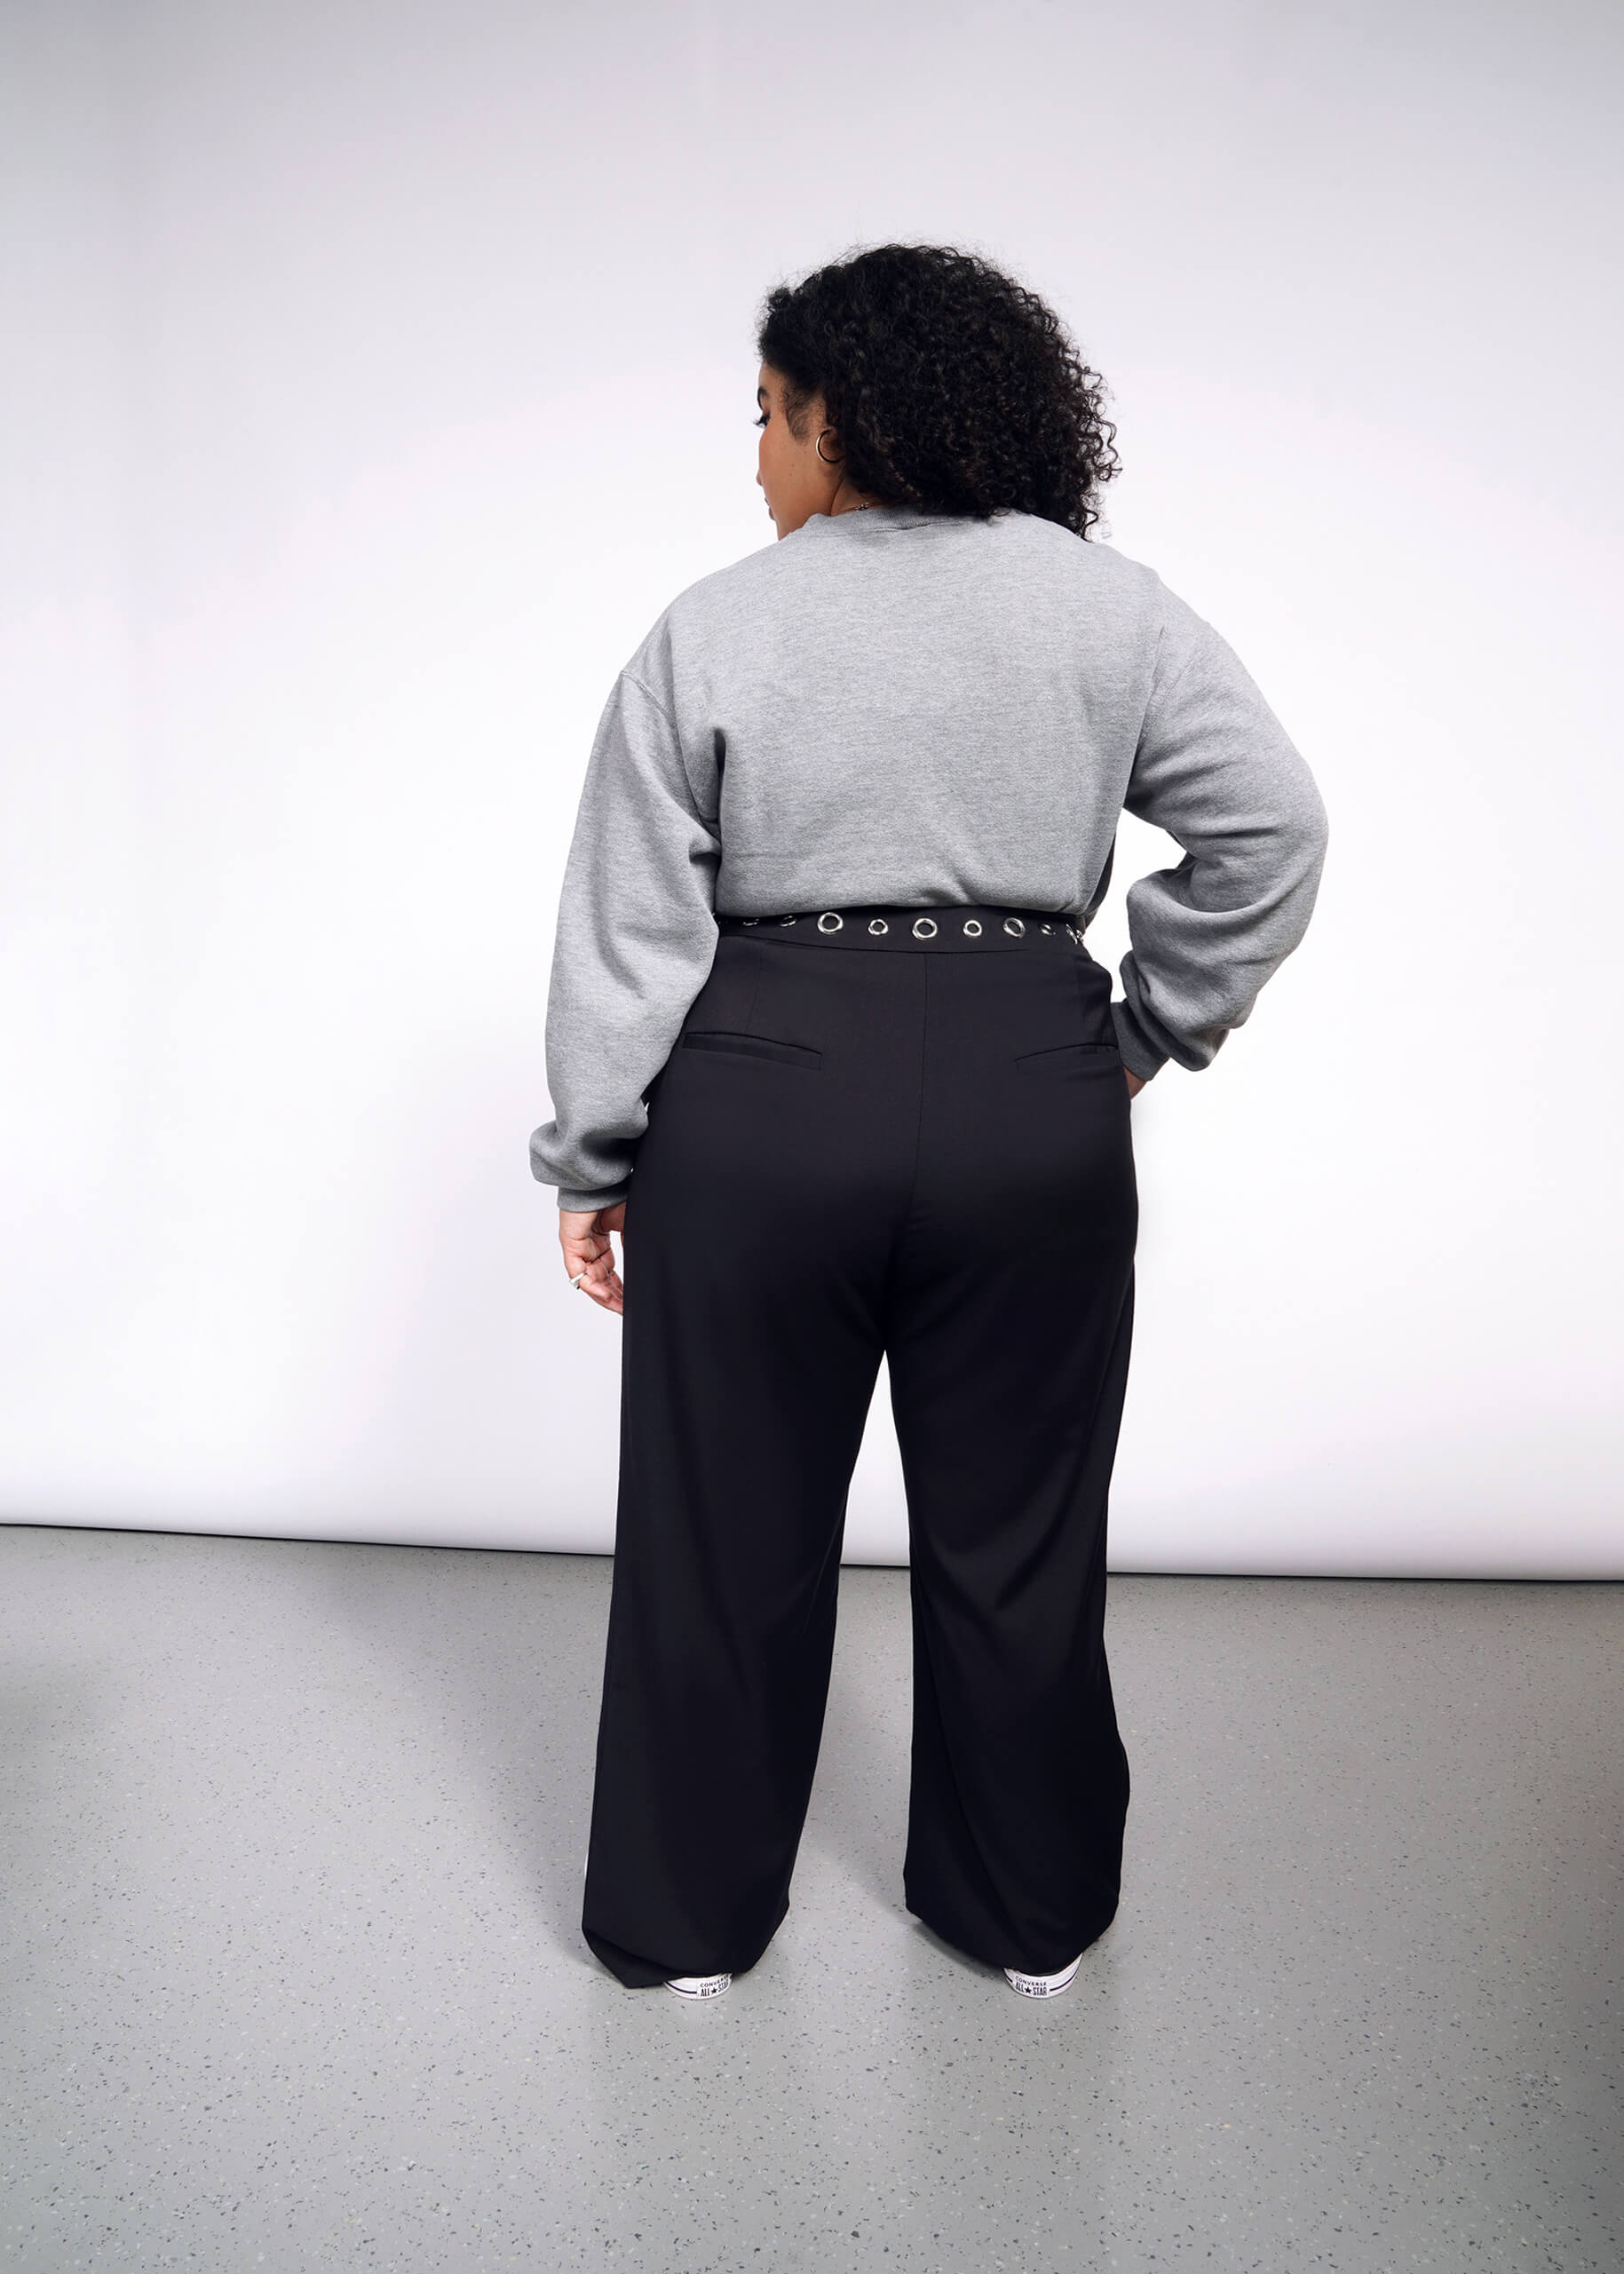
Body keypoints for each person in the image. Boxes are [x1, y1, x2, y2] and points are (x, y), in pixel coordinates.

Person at [529, 244, 1328, 2001]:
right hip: (1026, 1086)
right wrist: (1140, 1029)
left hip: (763, 1090)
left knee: (721, 1536)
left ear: (838, 415)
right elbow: (1273, 828)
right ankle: (1024, 1920)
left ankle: (682, 1929)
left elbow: (630, 924)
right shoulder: (1107, 612)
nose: (756, 460)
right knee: (1019, 1538)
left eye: (767, 417)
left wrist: (595, 1153)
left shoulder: (720, 622)